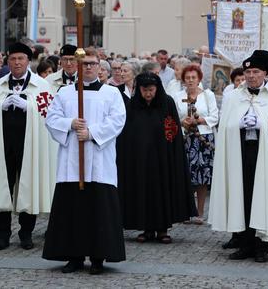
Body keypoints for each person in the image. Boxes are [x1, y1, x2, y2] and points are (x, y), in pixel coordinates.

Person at [209, 50, 268, 263]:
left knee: (263, 195)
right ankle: (244, 243)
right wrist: (239, 124)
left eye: (255, 72)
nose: (251, 76)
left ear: (265, 74)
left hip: (267, 154)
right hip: (240, 151)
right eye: (248, 72)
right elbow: (225, 125)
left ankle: (262, 245)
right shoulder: (235, 96)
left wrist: (263, 125)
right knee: (242, 195)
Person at [43, 49, 126, 275]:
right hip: (71, 161)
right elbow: (51, 118)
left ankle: (99, 257)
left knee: (99, 210)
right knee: (73, 210)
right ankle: (74, 257)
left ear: (100, 67)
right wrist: (70, 123)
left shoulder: (111, 93)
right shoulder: (65, 93)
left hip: (100, 161)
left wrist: (91, 133)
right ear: (77, 67)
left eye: (92, 64)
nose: (88, 67)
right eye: (84, 64)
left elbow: (117, 121)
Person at [0, 42, 57, 251]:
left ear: (28, 61)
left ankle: (26, 233)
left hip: (30, 145)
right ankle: (2, 234)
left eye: (21, 59)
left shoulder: (41, 85)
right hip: (3, 144)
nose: (17, 62)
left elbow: (48, 116)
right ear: (7, 61)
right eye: (13, 59)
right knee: (2, 186)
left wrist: (29, 107)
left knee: (29, 185)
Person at [116, 72, 194, 244]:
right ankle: (146, 228)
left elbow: (172, 130)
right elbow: (126, 133)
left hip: (162, 158)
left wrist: (169, 150)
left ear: (157, 89)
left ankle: (162, 229)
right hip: (140, 159)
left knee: (162, 191)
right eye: (144, 90)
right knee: (142, 192)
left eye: (151, 90)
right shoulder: (133, 106)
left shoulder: (167, 103)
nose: (148, 94)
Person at [174, 65, 219, 224]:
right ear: (183, 80)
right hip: (184, 138)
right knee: (185, 175)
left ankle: (199, 212)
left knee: (202, 176)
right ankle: (185, 212)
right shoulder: (178, 96)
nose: (191, 80)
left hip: (203, 139)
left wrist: (198, 120)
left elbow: (215, 116)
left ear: (199, 79)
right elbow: (172, 118)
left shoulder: (208, 95)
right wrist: (182, 122)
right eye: (188, 78)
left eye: (193, 77)